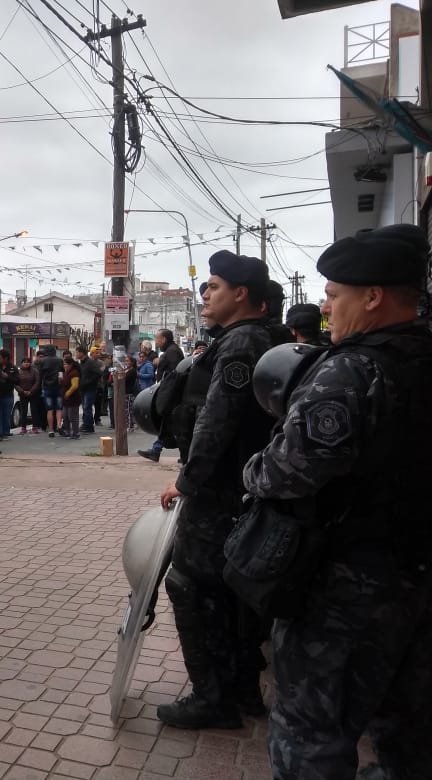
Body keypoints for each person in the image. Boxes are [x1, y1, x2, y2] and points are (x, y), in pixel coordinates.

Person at [242, 225, 432, 778]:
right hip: (417, 574)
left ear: (372, 296)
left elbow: (288, 470)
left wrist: (250, 469)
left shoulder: (351, 369)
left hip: (345, 585)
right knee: (409, 726)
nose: (327, 310)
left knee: (311, 734)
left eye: (334, 295)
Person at [156, 250, 274, 729]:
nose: (205, 295)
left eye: (215, 287)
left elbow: (216, 422)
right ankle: (242, 688)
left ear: (241, 294)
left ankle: (212, 698)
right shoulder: (251, 339)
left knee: (189, 586)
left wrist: (185, 481)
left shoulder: (240, 344)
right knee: (232, 593)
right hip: (242, 492)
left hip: (220, 495)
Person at [138, 329, 185, 462]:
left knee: (172, 425)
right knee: (168, 425)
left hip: (171, 395)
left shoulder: (172, 352)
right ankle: (157, 450)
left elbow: (174, 375)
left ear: (164, 339)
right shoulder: (170, 351)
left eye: (158, 339)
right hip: (169, 393)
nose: (156, 342)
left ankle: (179, 454)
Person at [37, 346, 64, 437]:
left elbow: (40, 375)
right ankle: (59, 425)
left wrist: (41, 387)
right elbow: (61, 373)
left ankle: (51, 430)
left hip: (47, 388)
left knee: (49, 409)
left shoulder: (43, 361)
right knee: (59, 409)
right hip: (58, 387)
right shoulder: (59, 360)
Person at [59, 355, 82, 438]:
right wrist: (61, 381)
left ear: (71, 364)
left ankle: (76, 432)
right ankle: (67, 431)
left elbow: (75, 386)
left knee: (72, 416)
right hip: (66, 398)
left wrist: (68, 393)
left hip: (73, 398)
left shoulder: (74, 373)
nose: (64, 366)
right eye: (64, 364)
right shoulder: (66, 372)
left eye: (66, 364)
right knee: (65, 415)